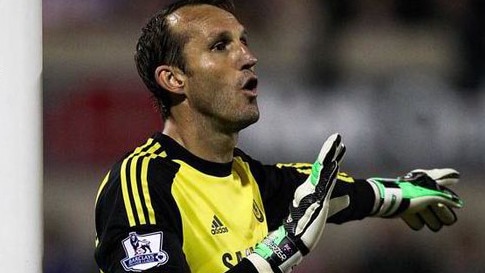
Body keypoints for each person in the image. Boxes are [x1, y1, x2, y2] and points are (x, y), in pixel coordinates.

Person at [94, 1, 463, 272]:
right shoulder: (142, 182)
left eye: (244, 41)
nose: (248, 56)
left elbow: (334, 194)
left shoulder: (252, 179)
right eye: (220, 46)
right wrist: (284, 245)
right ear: (174, 79)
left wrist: (402, 193)